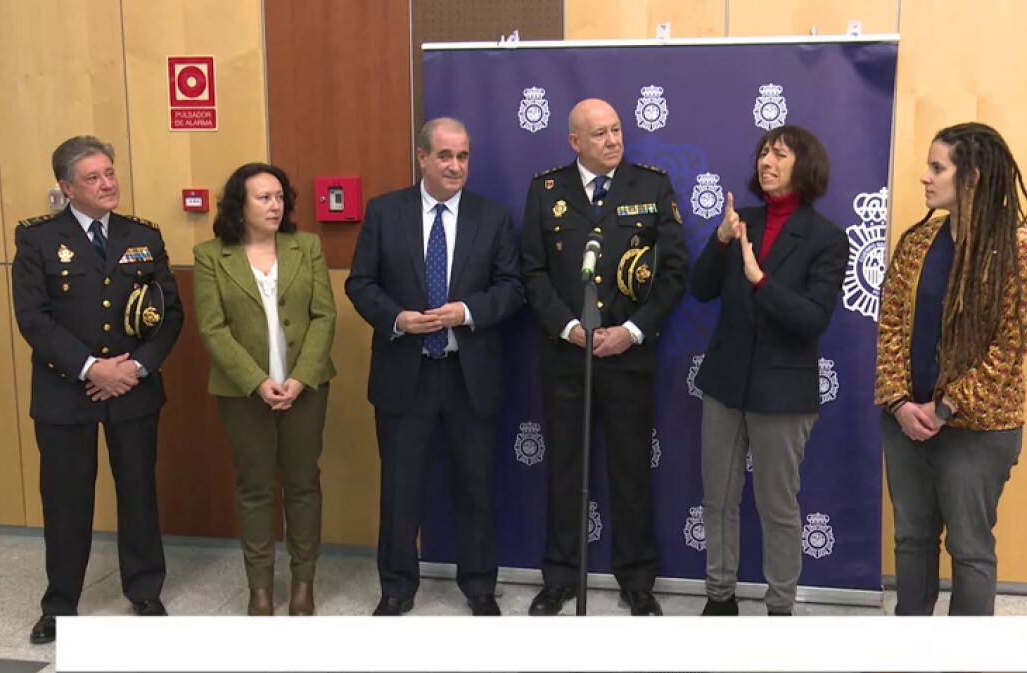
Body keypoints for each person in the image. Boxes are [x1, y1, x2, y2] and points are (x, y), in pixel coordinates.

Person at [345, 117, 524, 616]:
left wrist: (466, 312)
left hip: (470, 375)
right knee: (400, 490)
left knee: (475, 487)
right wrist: (397, 319)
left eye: (463, 156)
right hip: (406, 373)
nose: (455, 166)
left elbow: (512, 288)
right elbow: (360, 283)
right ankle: (396, 587)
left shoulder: (492, 217)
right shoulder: (385, 212)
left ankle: (480, 586)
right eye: (445, 155)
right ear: (421, 157)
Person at [11, 135, 183, 644]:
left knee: (138, 492)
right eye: (93, 177)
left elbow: (169, 313)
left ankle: (145, 590)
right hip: (66, 392)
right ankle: (60, 604)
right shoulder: (38, 239)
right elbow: (33, 318)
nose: (108, 183)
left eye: (109, 172)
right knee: (65, 500)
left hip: (133, 387)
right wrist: (91, 369)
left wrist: (137, 367)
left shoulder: (143, 236)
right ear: (66, 188)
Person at [520, 98, 687, 616]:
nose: (613, 140)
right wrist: (569, 328)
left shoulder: (651, 186)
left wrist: (632, 332)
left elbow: (674, 272)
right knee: (565, 468)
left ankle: (637, 579)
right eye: (599, 134)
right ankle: (560, 576)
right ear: (575, 141)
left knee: (631, 470)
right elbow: (532, 272)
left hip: (628, 357)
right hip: (567, 357)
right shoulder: (547, 189)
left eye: (616, 130)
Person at [876, 122, 1027, 616]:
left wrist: (944, 407)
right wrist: (899, 403)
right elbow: (890, 324)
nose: (925, 177)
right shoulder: (918, 242)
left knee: (969, 549)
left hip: (978, 431)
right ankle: (911, 646)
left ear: (971, 177)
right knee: (911, 540)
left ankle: (965, 653)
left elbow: (1008, 350)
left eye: (938, 167)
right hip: (906, 422)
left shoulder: (1020, 251)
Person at [689, 125, 848, 616]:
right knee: (718, 500)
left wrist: (760, 280)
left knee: (777, 507)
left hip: (782, 393)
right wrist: (721, 240)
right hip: (725, 384)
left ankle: (780, 607)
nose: (767, 161)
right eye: (763, 152)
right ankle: (720, 597)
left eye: (779, 154)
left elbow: (812, 319)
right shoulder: (743, 221)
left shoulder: (827, 238)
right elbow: (700, 289)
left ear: (805, 165)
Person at [193, 163, 336, 616]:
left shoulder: (306, 246)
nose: (275, 205)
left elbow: (324, 315)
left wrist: (301, 377)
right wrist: (256, 381)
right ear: (240, 205)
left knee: (302, 484)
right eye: (264, 198)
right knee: (254, 487)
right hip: (243, 392)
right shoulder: (211, 255)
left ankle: (303, 582)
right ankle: (260, 587)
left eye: (279, 197)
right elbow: (213, 328)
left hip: (305, 388)